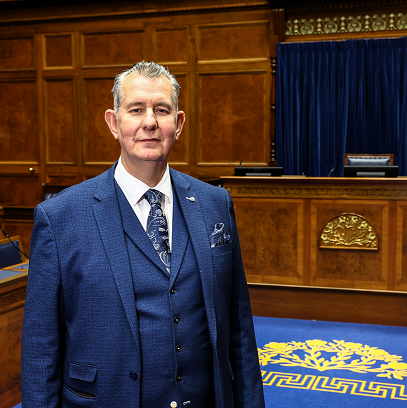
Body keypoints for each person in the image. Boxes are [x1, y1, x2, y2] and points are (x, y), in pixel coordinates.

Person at [21, 61, 265, 408]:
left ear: (177, 124)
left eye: (161, 110)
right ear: (114, 123)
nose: (149, 121)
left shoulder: (214, 204)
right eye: (136, 109)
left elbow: (238, 327)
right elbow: (40, 344)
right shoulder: (60, 217)